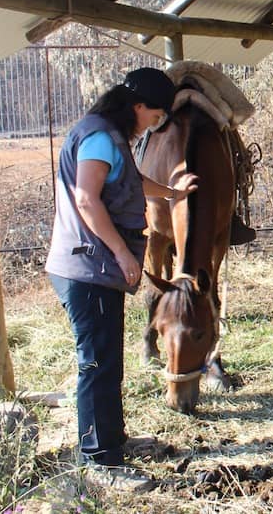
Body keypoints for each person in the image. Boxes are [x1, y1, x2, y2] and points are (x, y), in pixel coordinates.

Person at [45, 67, 198, 492]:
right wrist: (119, 253)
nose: (156, 123)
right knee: (96, 364)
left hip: (93, 267)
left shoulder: (109, 136)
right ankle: (99, 461)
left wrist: (171, 193)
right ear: (137, 106)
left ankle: (113, 441)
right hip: (87, 267)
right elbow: (86, 200)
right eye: (155, 115)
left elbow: (128, 183)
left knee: (108, 360)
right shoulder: (98, 138)